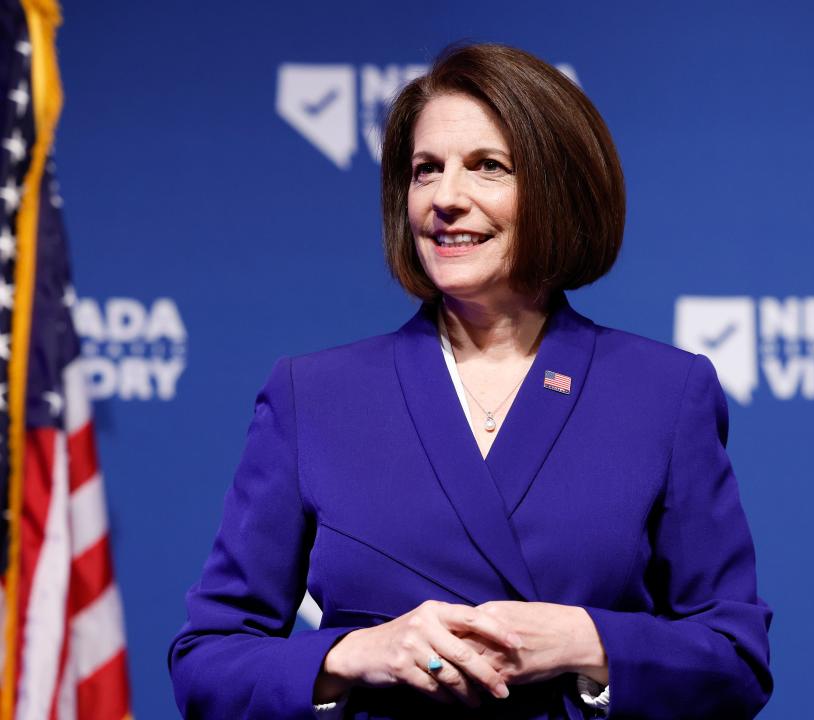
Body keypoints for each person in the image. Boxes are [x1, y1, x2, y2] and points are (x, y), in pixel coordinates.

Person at [168, 43, 772, 719]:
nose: (445, 199)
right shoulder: (314, 396)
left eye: (488, 167)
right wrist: (350, 656)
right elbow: (208, 661)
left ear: (558, 188)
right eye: (426, 171)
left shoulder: (664, 393)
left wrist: (589, 640)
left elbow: (735, 660)